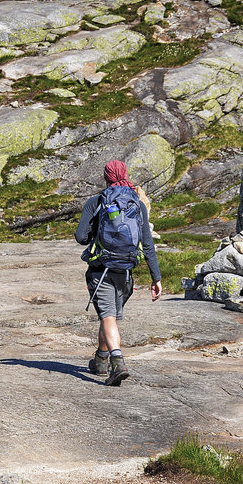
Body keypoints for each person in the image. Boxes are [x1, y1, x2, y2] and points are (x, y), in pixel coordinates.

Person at [74, 160, 162, 386]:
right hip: (125, 272)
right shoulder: (137, 203)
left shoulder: (96, 201)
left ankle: (118, 363)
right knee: (109, 316)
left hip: (100, 269)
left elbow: (80, 237)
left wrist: (97, 232)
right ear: (124, 174)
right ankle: (101, 360)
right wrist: (156, 277)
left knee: (107, 316)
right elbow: (147, 244)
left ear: (106, 177)